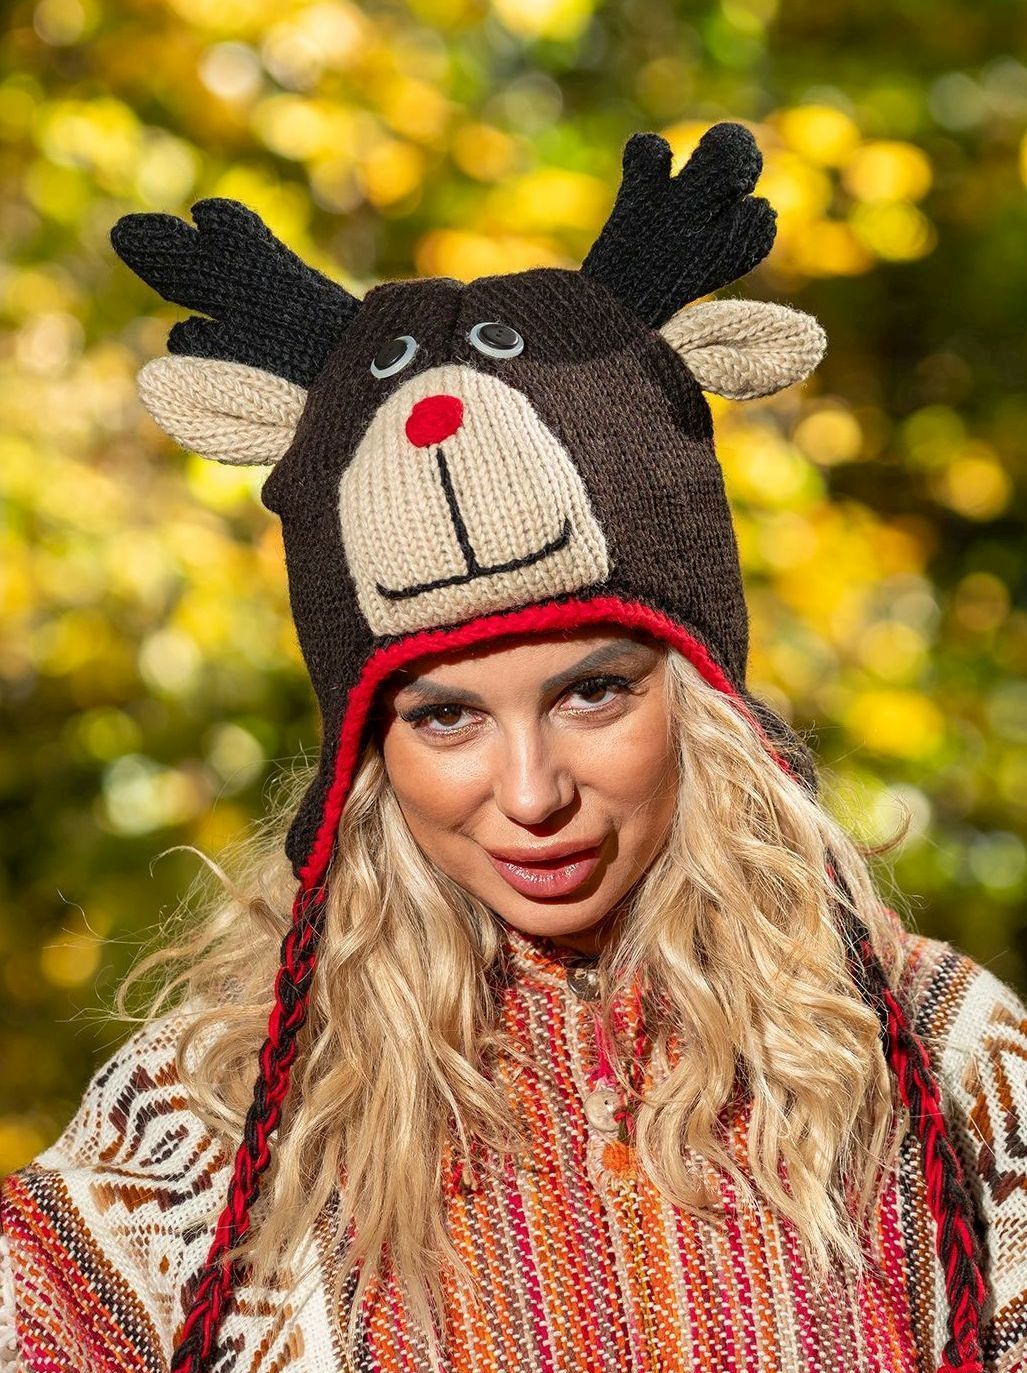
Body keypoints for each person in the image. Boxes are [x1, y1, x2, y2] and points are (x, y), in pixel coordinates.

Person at [2, 121, 1025, 1373]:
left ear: (701, 698)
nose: (531, 793)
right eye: (445, 715)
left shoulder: (941, 1060)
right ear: (366, 751)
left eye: (593, 693)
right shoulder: (210, 1118)